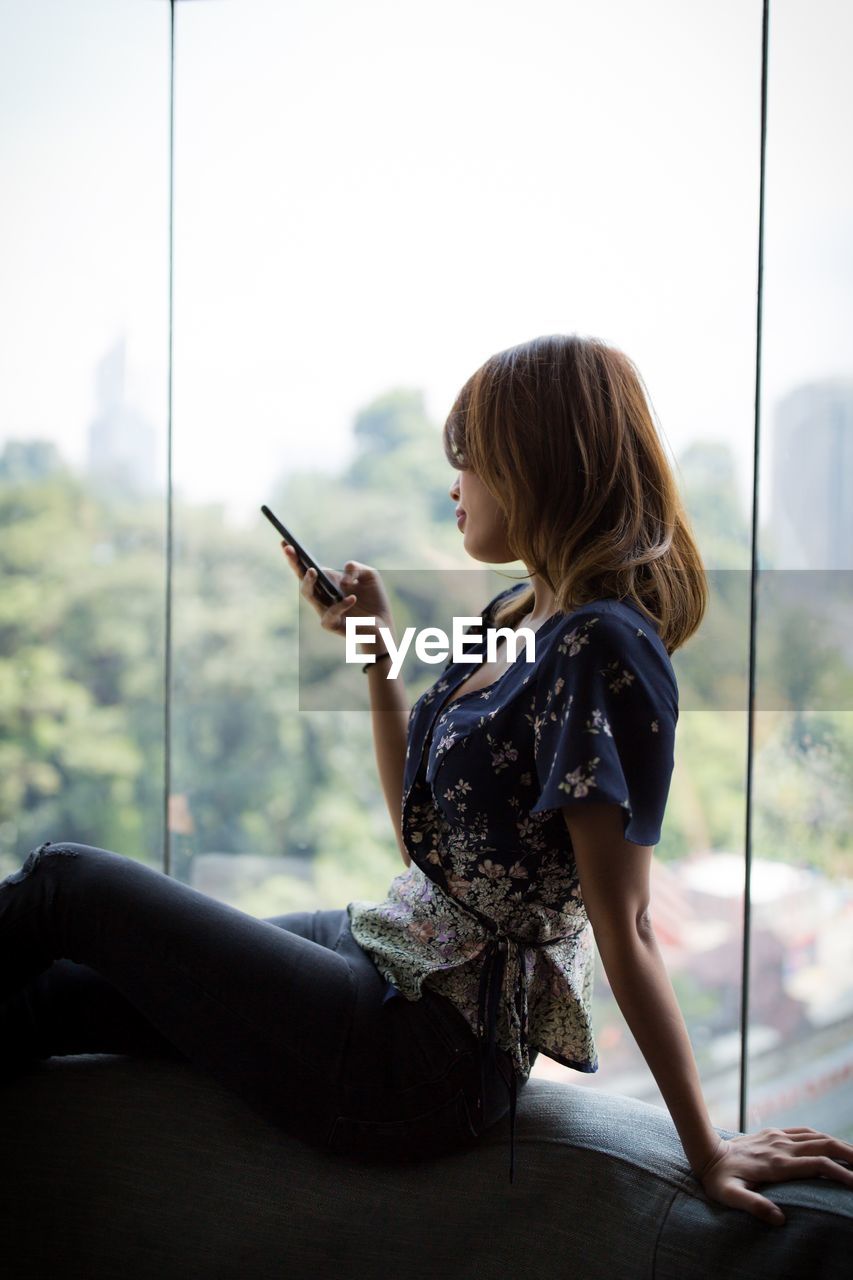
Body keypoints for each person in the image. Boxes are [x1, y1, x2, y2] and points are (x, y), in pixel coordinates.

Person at [2, 335, 851, 1225]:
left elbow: (627, 919)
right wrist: (372, 650)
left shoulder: (603, 648)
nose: (457, 486)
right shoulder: (514, 617)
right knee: (52, 994)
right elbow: (426, 842)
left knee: (69, 883)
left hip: (424, 1053)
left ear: (535, 464)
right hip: (386, 949)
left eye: (471, 461)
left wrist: (705, 1146)